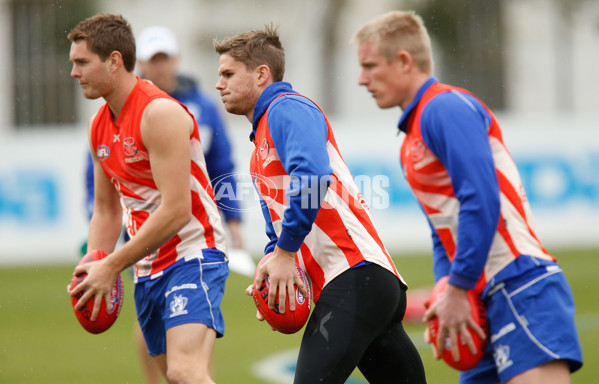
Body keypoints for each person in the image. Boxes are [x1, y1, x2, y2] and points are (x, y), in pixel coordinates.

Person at [352, 10, 583, 384]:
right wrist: (448, 290)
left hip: (519, 284)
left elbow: (482, 200)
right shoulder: (411, 139)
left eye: (370, 66)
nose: (362, 79)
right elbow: (443, 232)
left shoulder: (445, 108)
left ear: (404, 61)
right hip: (478, 298)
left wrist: (457, 287)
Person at [214, 25, 427, 384]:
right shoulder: (258, 151)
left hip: (355, 275)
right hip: (365, 285)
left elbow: (313, 178)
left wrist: (283, 254)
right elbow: (277, 236)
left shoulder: (286, 108)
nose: (219, 84)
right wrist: (270, 269)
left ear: (262, 74)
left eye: (228, 74)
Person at [67, 13, 229, 384]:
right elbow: (106, 211)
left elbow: (176, 210)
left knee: (184, 372)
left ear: (114, 61)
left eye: (82, 62)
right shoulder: (98, 125)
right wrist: (93, 265)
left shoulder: (159, 113)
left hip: (193, 252)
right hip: (146, 266)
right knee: (172, 378)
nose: (74, 73)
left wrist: (111, 266)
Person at [136, 25, 256, 277]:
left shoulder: (205, 107)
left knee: (190, 301)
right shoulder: (128, 108)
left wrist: (233, 220)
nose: (160, 66)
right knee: (152, 312)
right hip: (144, 226)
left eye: (164, 58)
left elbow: (221, 167)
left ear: (177, 58)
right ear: (140, 63)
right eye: (153, 59)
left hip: (197, 227)